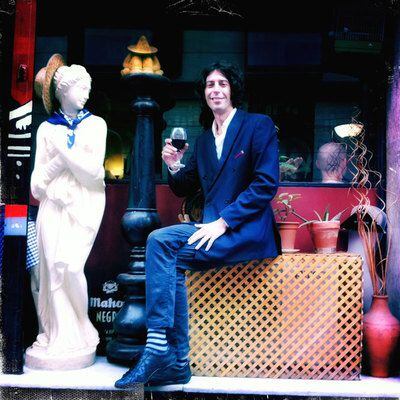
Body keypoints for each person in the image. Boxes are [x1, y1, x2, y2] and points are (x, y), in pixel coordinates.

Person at [115, 61, 280, 388]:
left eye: (222, 83)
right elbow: (185, 186)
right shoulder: (204, 141)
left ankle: (161, 350)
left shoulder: (257, 126)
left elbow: (266, 183)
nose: (215, 89)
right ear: (204, 94)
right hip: (211, 229)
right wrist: (175, 166)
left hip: (243, 231)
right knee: (164, 250)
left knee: (161, 243)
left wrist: (224, 222)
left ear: (233, 90)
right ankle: (174, 360)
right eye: (209, 85)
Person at [27, 54, 107, 369]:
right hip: (52, 208)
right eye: (81, 88)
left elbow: (93, 174)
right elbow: (36, 186)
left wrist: (62, 155)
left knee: (71, 267)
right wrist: (60, 164)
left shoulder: (96, 125)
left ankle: (83, 325)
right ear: (64, 92)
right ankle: (56, 334)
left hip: (84, 206)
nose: (86, 94)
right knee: (50, 272)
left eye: (88, 87)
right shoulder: (46, 129)